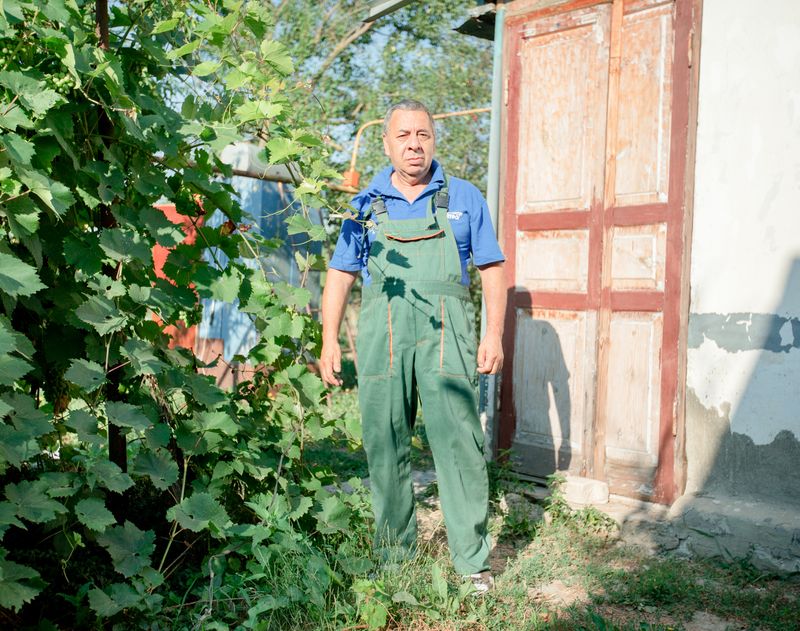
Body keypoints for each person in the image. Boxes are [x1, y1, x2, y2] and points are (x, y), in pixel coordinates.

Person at [320, 99, 506, 592]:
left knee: (459, 440)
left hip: (448, 332)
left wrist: (493, 333)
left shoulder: (463, 197)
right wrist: (329, 339)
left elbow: (491, 269)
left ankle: (472, 562)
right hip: (383, 332)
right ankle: (394, 558)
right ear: (387, 144)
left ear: (434, 140)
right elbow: (340, 273)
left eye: (423, 134)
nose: (414, 144)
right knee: (384, 438)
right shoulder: (364, 204)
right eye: (403, 135)